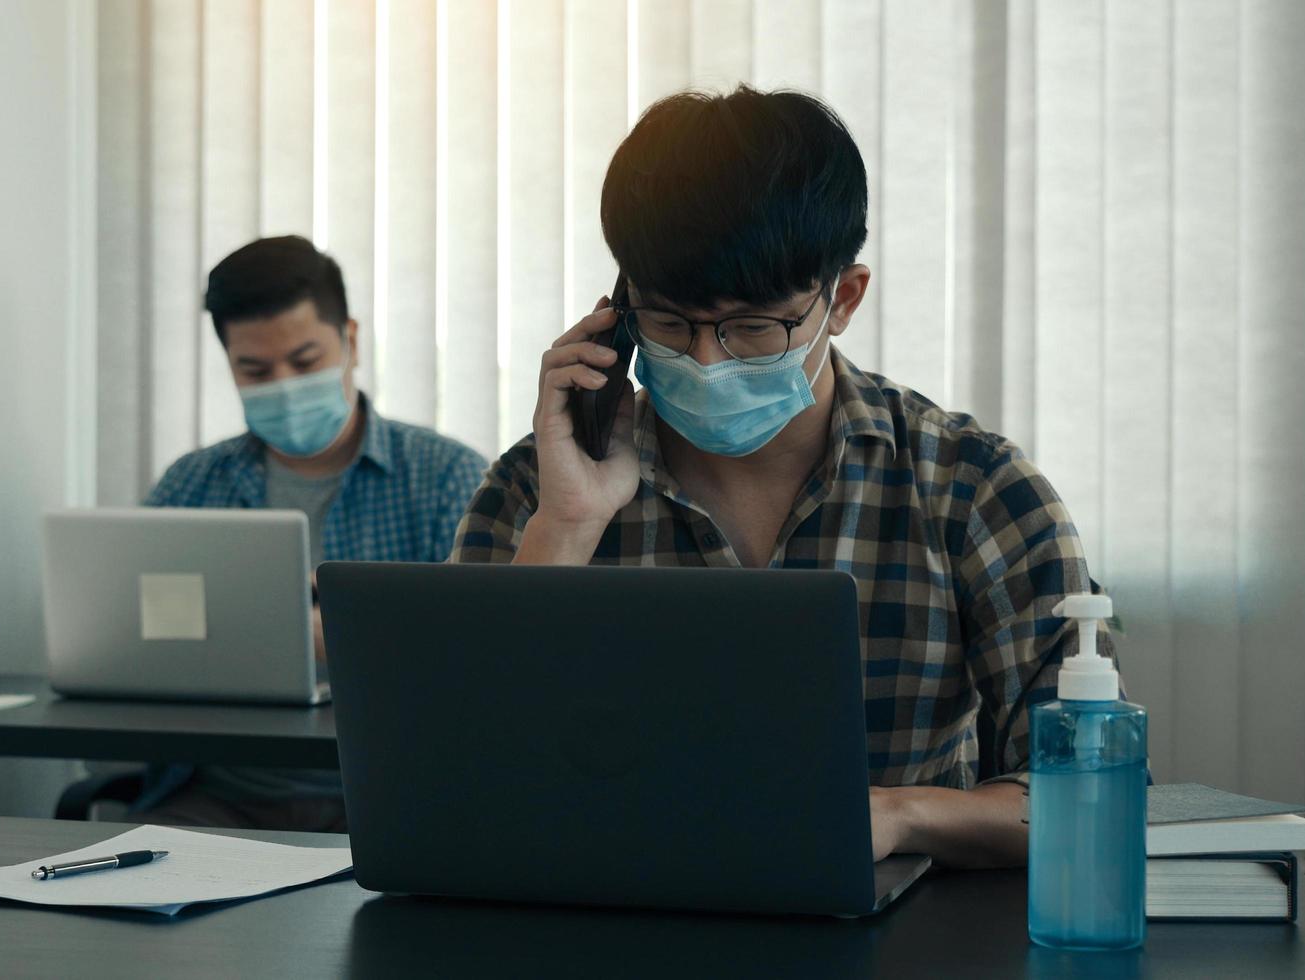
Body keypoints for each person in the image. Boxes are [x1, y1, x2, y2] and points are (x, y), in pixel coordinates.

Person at [451, 87, 1115, 869]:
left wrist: (896, 817)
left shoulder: (971, 489)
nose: (706, 359)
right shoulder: (539, 487)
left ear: (844, 299)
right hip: (612, 917)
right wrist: (566, 528)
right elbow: (456, 780)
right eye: (668, 322)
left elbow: (1092, 792)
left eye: (753, 327)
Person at [138, 235, 486, 832]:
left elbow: (484, 659)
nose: (283, 385)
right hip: (220, 800)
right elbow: (138, 647)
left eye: (303, 363)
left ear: (350, 341)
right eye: (254, 370)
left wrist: (329, 636)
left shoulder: (449, 478)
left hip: (396, 797)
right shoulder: (191, 485)